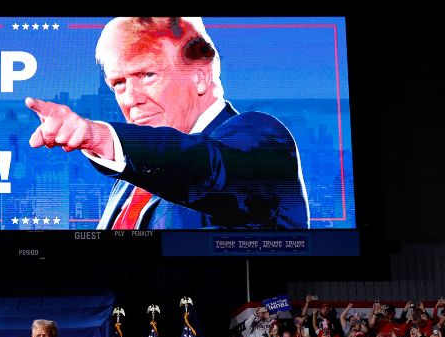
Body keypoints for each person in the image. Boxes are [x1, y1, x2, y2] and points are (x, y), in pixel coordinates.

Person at [26, 17, 308, 230]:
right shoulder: (132, 179)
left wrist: (99, 137)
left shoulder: (260, 137)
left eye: (148, 75)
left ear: (200, 76)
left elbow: (207, 167)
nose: (131, 99)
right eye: (119, 83)